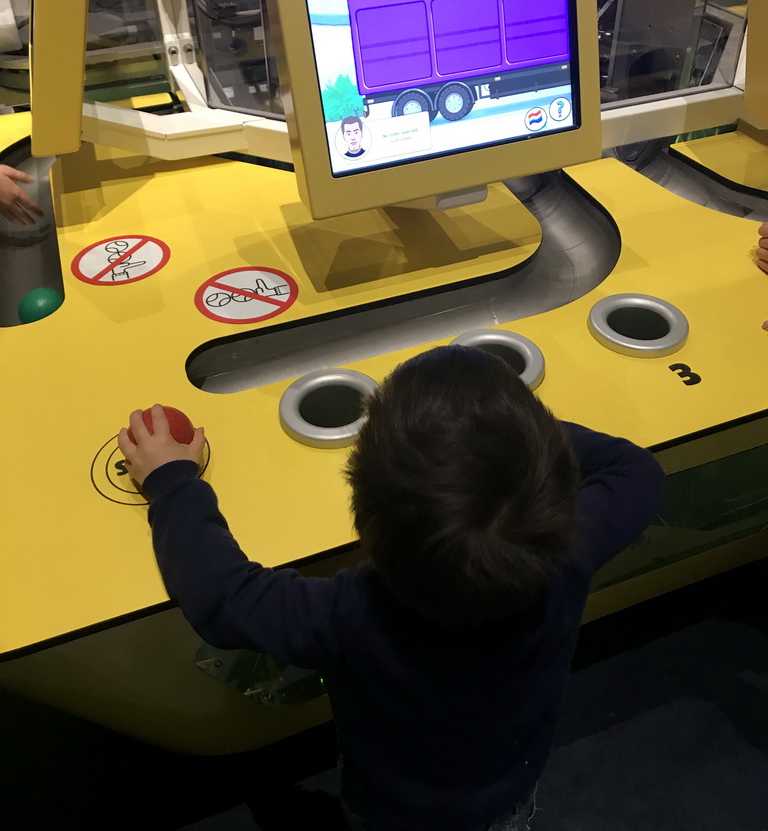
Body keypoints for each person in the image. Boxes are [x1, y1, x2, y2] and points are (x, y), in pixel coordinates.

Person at [118, 346, 664, 831]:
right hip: (506, 795)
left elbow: (223, 597)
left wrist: (172, 483)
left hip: (390, 810)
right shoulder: (569, 554)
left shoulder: (350, 614)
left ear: (363, 514)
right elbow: (637, 471)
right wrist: (510, 435)